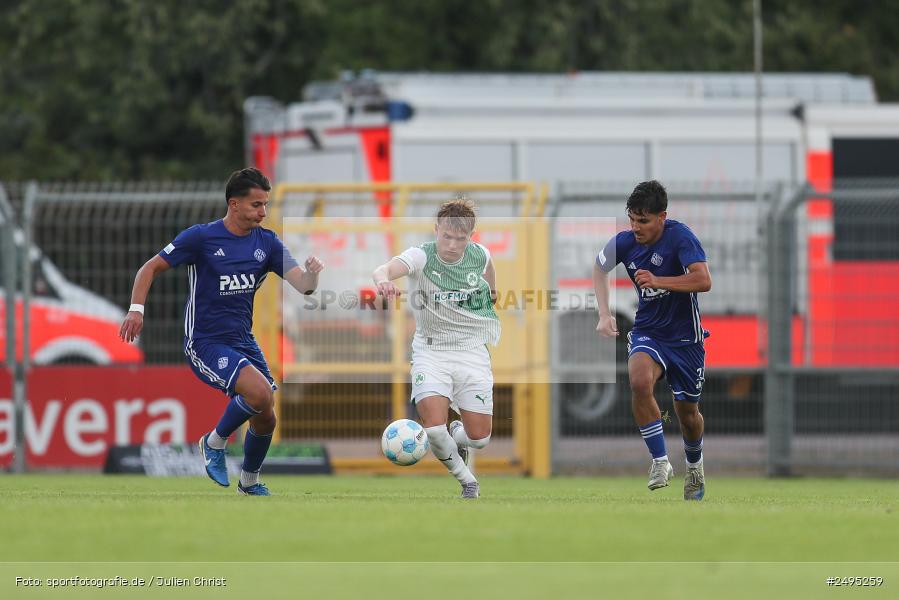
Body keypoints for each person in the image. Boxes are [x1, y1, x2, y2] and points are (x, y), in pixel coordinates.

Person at [119, 167, 323, 496]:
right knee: (259, 394)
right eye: (256, 204)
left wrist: (312, 276)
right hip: (205, 342)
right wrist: (136, 310)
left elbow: (303, 285)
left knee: (267, 417)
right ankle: (214, 442)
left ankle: (249, 483)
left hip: (243, 341)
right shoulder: (201, 238)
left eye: (266, 204)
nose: (263, 212)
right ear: (234, 204)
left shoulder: (267, 242)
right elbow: (150, 267)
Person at [372, 196, 499, 499]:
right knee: (433, 429)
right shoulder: (421, 256)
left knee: (479, 439)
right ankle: (468, 482)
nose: (452, 245)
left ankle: (459, 434)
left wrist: (492, 293)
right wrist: (383, 281)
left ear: (471, 236)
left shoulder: (480, 255)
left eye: (460, 239)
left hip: (471, 351)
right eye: (446, 236)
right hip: (431, 352)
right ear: (436, 230)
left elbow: (490, 272)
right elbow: (384, 269)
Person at [594, 180, 711, 500]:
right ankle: (660, 461)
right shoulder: (625, 242)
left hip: (686, 339)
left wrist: (659, 280)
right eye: (632, 219)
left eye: (643, 221)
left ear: (662, 217)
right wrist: (604, 313)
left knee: (687, 414)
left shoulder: (681, 237)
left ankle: (695, 465)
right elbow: (600, 268)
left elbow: (703, 280)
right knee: (639, 381)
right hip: (648, 331)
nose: (636, 227)